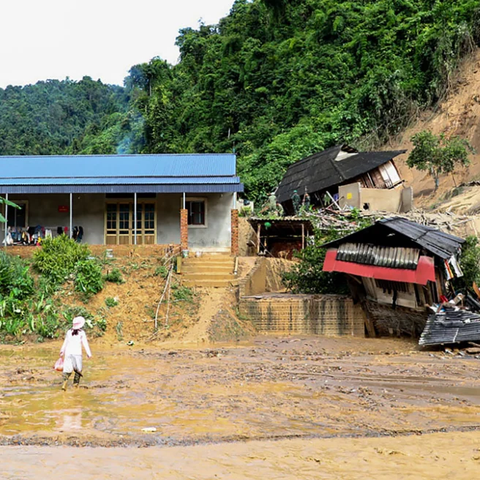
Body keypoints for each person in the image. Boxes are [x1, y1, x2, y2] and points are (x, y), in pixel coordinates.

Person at [60, 316, 92, 390]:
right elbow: (85, 343)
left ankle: (64, 383)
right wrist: (89, 353)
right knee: (78, 370)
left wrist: (62, 351)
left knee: (67, 369)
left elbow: (65, 342)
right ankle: (75, 385)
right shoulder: (81, 333)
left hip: (68, 353)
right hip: (77, 353)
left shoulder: (69, 332)